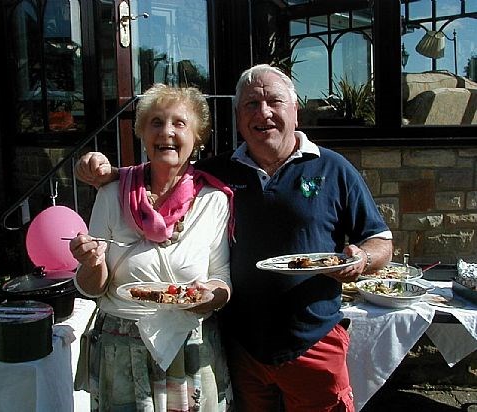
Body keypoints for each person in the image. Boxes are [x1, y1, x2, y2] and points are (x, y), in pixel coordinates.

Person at [75, 64, 393, 412]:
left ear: (295, 110)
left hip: (312, 339)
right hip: (242, 347)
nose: (263, 112)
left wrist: (361, 259)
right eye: (251, 104)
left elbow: (380, 241)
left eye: (274, 101)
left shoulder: (333, 168)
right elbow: (166, 168)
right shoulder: (217, 175)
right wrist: (110, 174)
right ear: (239, 117)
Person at [70, 84, 233, 411]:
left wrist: (207, 297)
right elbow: (92, 287)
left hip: (188, 346)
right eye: (156, 122)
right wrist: (92, 263)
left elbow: (222, 279)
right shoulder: (111, 194)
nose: (166, 132)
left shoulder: (213, 200)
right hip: (121, 348)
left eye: (179, 123)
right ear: (142, 134)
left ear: (197, 137)